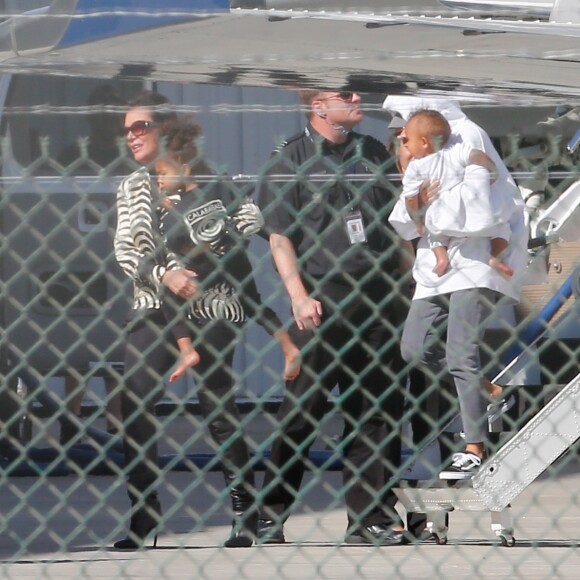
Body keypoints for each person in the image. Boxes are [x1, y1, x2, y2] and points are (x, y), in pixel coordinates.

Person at [255, 89, 409, 546]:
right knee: (302, 410)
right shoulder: (290, 159)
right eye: (344, 94)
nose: (357, 98)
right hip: (322, 301)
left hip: (381, 300)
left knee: (377, 411)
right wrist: (299, 297)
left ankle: (369, 518)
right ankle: (268, 515)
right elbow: (279, 236)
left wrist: (410, 288)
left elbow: (398, 226)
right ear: (318, 106)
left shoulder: (374, 153)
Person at [385, 95, 527, 479]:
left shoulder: (468, 144)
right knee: (413, 348)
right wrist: (420, 202)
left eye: (404, 135)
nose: (401, 142)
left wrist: (436, 212)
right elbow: (405, 219)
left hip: (475, 262)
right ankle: (489, 391)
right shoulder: (419, 164)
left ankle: (474, 445)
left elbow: (487, 208)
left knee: (460, 352)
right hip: (436, 267)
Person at [113, 90, 199, 550]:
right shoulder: (131, 186)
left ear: (164, 128)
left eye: (140, 127)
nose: (131, 136)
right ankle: (144, 516)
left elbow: (233, 222)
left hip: (206, 304)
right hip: (152, 306)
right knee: (134, 406)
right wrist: (167, 273)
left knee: (221, 411)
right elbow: (127, 249)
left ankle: (252, 516)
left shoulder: (197, 174)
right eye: (126, 130)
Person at [153, 120, 300, 386]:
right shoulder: (221, 186)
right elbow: (250, 216)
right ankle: (288, 346)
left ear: (184, 169)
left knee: (168, 293)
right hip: (235, 260)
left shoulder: (181, 206)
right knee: (254, 302)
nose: (159, 181)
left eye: (162, 173)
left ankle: (187, 351)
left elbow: (173, 240)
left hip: (203, 270)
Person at [400, 109, 513, 279]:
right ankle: (496, 256)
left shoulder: (415, 167)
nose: (405, 144)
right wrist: (492, 172)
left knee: (433, 236)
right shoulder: (454, 151)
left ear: (423, 142)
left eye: (407, 139)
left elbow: (410, 199)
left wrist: (418, 221)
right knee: (503, 228)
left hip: (441, 219)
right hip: (471, 214)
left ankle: (441, 258)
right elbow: (477, 156)